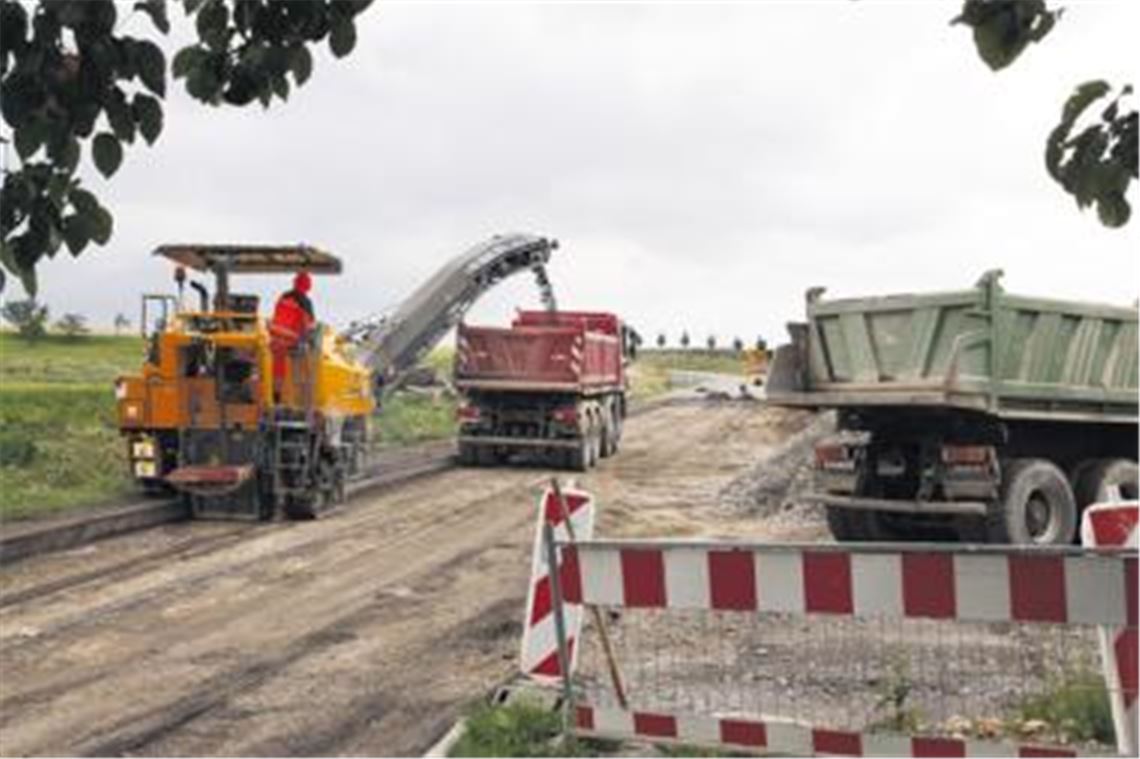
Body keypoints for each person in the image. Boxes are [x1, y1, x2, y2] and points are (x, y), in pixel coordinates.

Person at [269, 272, 316, 402]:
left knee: (278, 369)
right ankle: (303, 398)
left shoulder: (284, 296)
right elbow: (309, 325)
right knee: (306, 369)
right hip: (291, 340)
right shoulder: (305, 301)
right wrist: (309, 340)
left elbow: (278, 316)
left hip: (276, 337)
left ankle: (276, 396)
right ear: (308, 286)